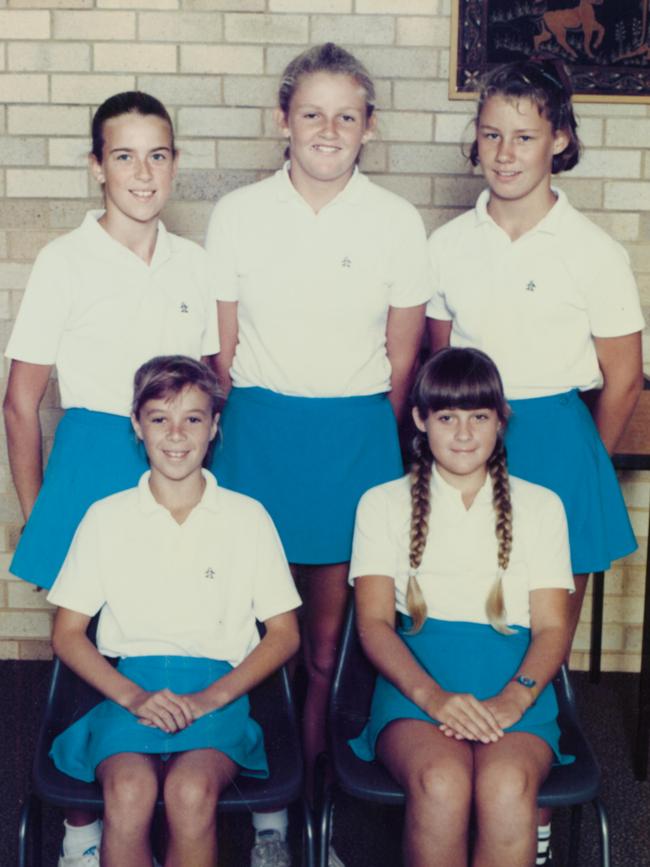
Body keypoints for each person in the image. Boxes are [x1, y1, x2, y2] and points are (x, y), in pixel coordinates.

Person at [205, 42, 431, 866]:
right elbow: (220, 354)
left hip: (353, 439)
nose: (328, 130)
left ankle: (316, 804)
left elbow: (403, 363)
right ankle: (262, 807)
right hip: (259, 435)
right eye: (312, 113)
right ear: (282, 120)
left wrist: (372, 435)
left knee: (331, 644)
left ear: (369, 127)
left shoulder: (396, 220)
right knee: (248, 631)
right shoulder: (238, 213)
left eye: (346, 115)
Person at [426, 62, 645, 863]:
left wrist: (578, 455)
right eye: (490, 134)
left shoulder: (592, 250)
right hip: (465, 437)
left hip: (555, 437)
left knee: (541, 633)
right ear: (474, 141)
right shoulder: (447, 243)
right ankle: (457, 753)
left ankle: (536, 801)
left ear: (559, 139)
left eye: (524, 135)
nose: (505, 151)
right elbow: (437, 365)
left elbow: (621, 377)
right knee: (465, 609)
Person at [3, 92, 219, 866]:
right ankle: (82, 822)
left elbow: (207, 387)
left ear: (175, 165)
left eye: (157, 155)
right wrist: (40, 509)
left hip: (172, 453)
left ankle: (195, 788)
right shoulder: (66, 259)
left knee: (174, 621)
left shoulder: (195, 263)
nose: (142, 171)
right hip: (93, 450)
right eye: (123, 155)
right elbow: (21, 400)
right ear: (97, 166)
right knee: (89, 640)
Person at [47, 355, 301, 867]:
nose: (177, 434)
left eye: (193, 418)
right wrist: (133, 696)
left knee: (189, 794)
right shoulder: (106, 517)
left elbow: (283, 634)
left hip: (218, 689)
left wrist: (212, 697)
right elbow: (68, 632)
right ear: (137, 427)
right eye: (160, 418)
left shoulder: (247, 518)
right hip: (129, 689)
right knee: (129, 793)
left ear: (214, 428)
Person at [349, 347, 574, 867]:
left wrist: (514, 700)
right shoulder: (381, 503)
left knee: (506, 783)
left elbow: (552, 627)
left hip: (514, 681)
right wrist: (434, 699)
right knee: (442, 782)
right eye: (447, 417)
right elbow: (375, 624)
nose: (464, 433)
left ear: (501, 420)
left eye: (479, 416)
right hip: (417, 683)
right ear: (420, 420)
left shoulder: (542, 506)